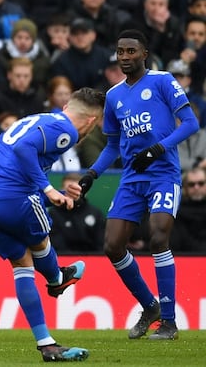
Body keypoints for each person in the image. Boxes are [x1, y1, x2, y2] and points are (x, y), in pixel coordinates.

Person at [68, 29, 199, 341]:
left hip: (164, 174)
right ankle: (149, 306)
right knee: (112, 245)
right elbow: (113, 145)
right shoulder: (113, 96)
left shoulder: (163, 81)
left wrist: (157, 149)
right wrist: (91, 175)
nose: (124, 57)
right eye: (120, 52)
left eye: (130, 51)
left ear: (144, 53)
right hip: (131, 178)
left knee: (158, 236)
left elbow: (191, 122)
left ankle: (169, 322)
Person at [0, 87, 106, 362]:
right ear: (91, 121)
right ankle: (57, 279)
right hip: (13, 198)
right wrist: (47, 190)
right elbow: (23, 150)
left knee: (23, 265)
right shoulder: (65, 130)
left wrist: (53, 193)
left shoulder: (41, 119)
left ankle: (46, 344)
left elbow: (18, 158)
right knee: (41, 240)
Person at [48, 173, 106, 254]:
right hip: (62, 260)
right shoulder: (52, 214)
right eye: (69, 191)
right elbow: (57, 245)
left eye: (76, 191)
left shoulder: (96, 214)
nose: (73, 195)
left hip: (94, 260)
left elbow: (101, 245)